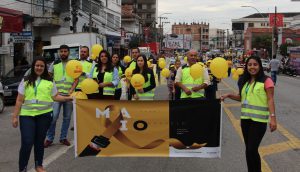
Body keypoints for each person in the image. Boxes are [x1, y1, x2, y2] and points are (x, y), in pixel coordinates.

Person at [12, 58, 72, 172]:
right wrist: (14, 116)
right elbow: (19, 100)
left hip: (44, 116)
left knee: (39, 142)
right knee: (27, 141)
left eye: (42, 66)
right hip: (27, 115)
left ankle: (38, 165)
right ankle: (22, 168)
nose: (39, 68)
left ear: (44, 68)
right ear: (33, 66)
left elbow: (55, 97)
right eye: (37, 65)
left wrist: (69, 98)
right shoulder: (25, 80)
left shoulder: (50, 80)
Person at [221, 56, 277, 172]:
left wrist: (273, 119)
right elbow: (242, 98)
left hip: (259, 121)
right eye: (250, 65)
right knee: (248, 150)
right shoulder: (245, 81)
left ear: (260, 66)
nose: (252, 67)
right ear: (246, 67)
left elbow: (270, 99)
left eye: (255, 64)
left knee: (252, 149)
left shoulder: (267, 80)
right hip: (245, 120)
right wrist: (228, 95)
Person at [44, 45, 78, 147]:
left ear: (68, 52)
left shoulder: (73, 64)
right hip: (56, 96)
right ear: (59, 53)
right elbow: (49, 77)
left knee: (67, 118)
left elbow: (76, 79)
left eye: (65, 51)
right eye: (61, 51)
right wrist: (53, 90)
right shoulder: (54, 63)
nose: (63, 53)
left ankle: (63, 138)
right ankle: (49, 138)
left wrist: (71, 91)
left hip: (69, 96)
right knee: (53, 117)